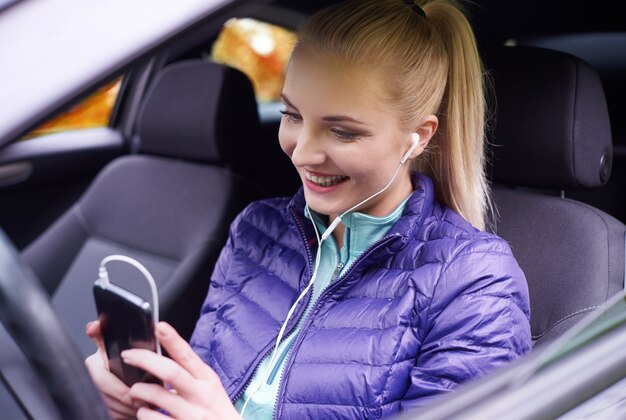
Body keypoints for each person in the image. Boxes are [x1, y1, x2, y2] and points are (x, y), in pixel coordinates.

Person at [85, 0, 532, 418]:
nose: (301, 154)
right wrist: (142, 401)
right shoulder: (257, 231)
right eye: (292, 114)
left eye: (342, 132)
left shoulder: (474, 281)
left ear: (419, 136)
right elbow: (208, 391)